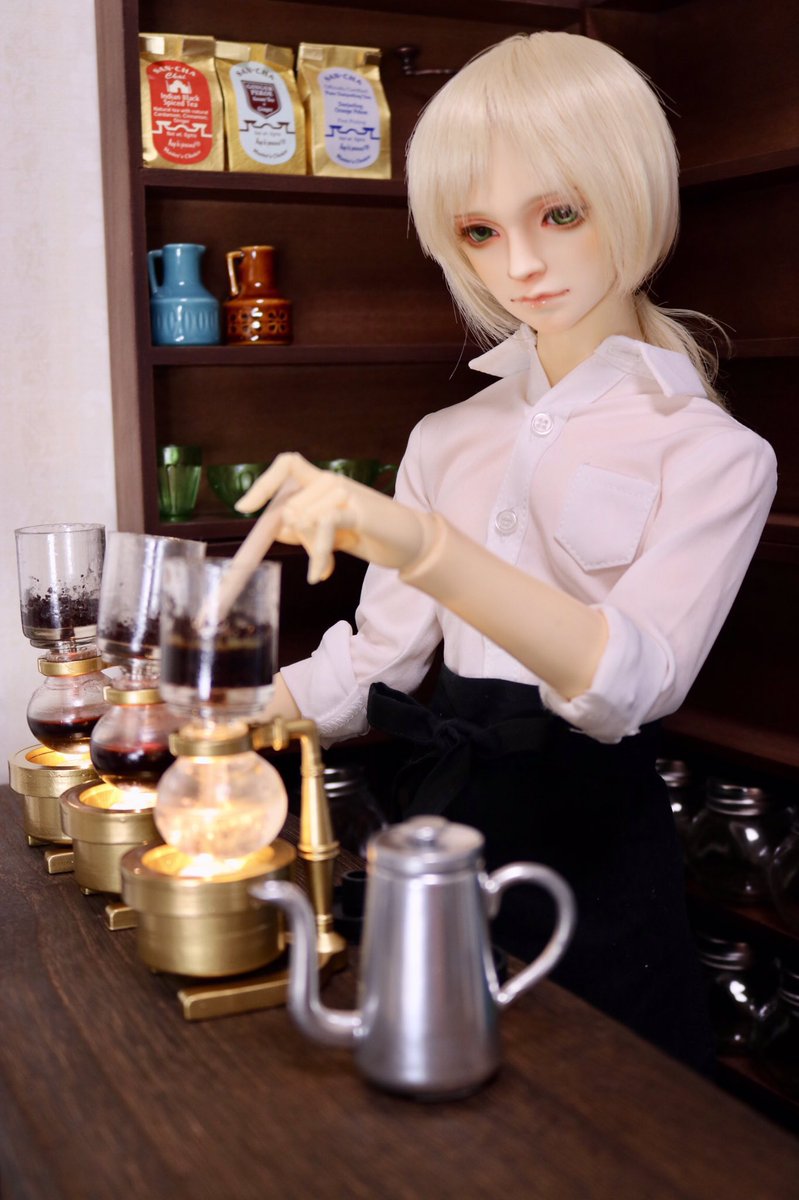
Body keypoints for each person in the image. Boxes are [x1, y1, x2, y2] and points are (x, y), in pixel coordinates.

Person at [236, 32, 777, 1070]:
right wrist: (214, 719)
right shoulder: (448, 439)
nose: (521, 265)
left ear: (634, 191)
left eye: (559, 215)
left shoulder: (713, 453)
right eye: (480, 231)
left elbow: (629, 683)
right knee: (431, 1090)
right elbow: (379, 661)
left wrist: (423, 544)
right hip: (444, 829)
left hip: (598, 844)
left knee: (616, 1110)